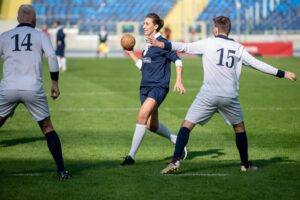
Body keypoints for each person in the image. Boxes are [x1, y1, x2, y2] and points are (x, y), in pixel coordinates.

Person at [149, 16, 297, 174]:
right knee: (239, 128)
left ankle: (175, 161)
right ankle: (245, 165)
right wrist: (283, 73)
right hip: (229, 95)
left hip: (208, 94)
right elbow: (257, 64)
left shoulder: (208, 42)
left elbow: (184, 47)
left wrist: (161, 44)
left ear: (216, 29)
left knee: (187, 125)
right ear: (229, 30)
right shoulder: (238, 48)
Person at [0, 4, 71, 180]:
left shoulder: (5, 36)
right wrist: (55, 83)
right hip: (32, 87)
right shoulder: (40, 35)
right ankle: (61, 171)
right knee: (47, 128)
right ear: (34, 19)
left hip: (8, 87)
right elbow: (52, 57)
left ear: (18, 19)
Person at [121, 13, 187, 166]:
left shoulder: (163, 43)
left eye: (147, 23)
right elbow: (143, 67)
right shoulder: (147, 46)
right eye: (143, 23)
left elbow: (177, 60)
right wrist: (131, 53)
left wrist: (179, 79)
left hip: (158, 87)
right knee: (151, 125)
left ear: (155, 26)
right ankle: (177, 141)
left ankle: (131, 156)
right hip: (144, 87)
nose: (144, 26)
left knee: (141, 115)